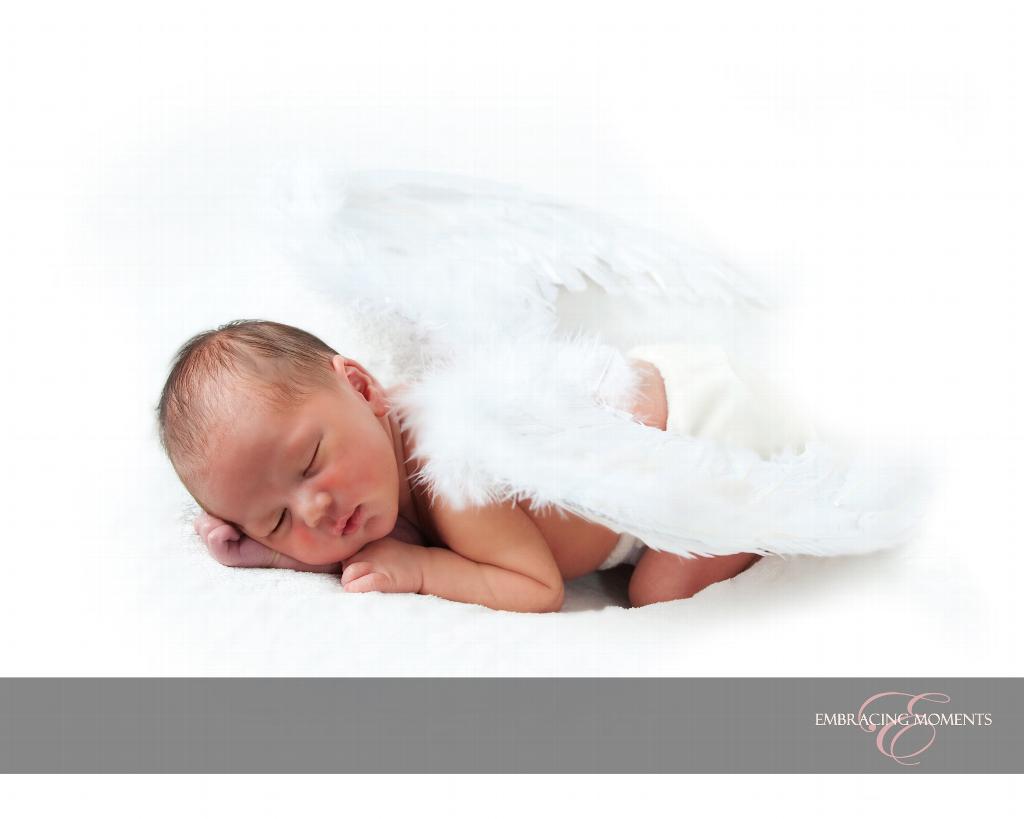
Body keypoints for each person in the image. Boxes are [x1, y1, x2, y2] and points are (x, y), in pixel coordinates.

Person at [158, 320, 770, 612]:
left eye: (310, 463)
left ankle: (758, 521)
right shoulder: (372, 454)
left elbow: (537, 588)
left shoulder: (449, 472)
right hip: (662, 377)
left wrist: (420, 570)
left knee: (658, 595)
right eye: (276, 521)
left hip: (707, 440)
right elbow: (365, 542)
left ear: (363, 389)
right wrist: (271, 554)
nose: (314, 510)